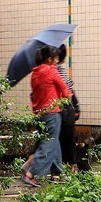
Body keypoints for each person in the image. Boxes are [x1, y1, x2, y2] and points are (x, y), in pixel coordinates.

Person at [23, 45, 70, 186]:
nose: (57, 60)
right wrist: (64, 99)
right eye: (55, 58)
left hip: (40, 113)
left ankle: (58, 173)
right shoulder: (51, 70)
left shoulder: (35, 72)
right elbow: (65, 91)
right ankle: (31, 173)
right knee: (49, 143)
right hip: (52, 112)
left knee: (53, 141)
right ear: (49, 59)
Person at [55, 44, 81, 173]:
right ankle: (70, 167)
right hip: (64, 109)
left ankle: (64, 168)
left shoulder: (56, 69)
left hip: (59, 109)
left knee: (60, 139)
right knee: (67, 139)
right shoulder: (56, 70)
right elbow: (68, 91)